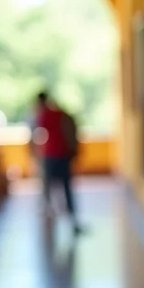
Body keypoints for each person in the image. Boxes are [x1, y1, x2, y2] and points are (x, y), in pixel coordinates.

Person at [34, 91, 82, 233]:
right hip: (62, 155)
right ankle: (71, 219)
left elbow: (39, 134)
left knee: (49, 186)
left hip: (51, 155)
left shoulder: (45, 115)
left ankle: (51, 218)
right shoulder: (61, 114)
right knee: (65, 187)